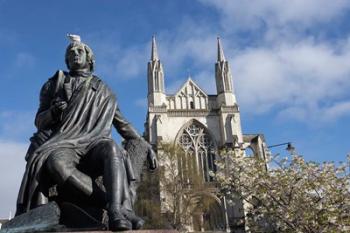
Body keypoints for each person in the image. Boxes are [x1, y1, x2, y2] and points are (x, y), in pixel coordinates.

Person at [15, 35, 157, 231]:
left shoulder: (103, 91)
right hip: (64, 143)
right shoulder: (53, 84)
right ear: (66, 60)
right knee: (56, 163)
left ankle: (116, 210)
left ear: (90, 59)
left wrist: (145, 143)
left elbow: (122, 124)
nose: (74, 54)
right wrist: (53, 112)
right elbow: (39, 121)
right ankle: (110, 203)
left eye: (79, 51)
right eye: (70, 52)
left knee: (112, 148)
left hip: (93, 143)